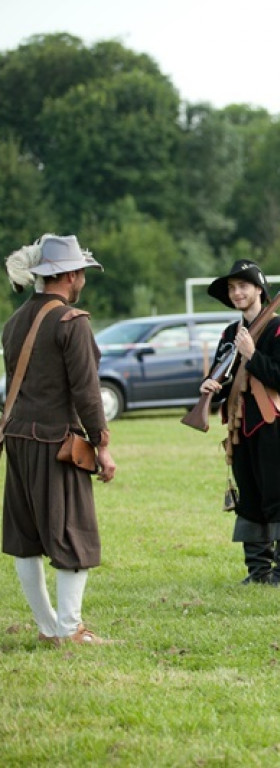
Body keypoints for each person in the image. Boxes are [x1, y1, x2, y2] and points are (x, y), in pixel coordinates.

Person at [2, 234, 116, 646]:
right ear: (69, 275)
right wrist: (102, 446)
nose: (83, 276)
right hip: (57, 444)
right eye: (81, 270)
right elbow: (87, 392)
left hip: (15, 438)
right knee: (73, 534)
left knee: (26, 539)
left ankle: (49, 627)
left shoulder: (13, 323)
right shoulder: (72, 321)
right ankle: (68, 629)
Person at [201, 260, 280, 586]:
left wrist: (253, 353)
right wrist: (211, 388)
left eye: (242, 286)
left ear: (259, 289)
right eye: (232, 288)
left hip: (269, 422)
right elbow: (224, 377)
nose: (237, 292)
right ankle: (258, 570)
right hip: (237, 425)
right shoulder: (230, 333)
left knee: (279, 493)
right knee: (249, 495)